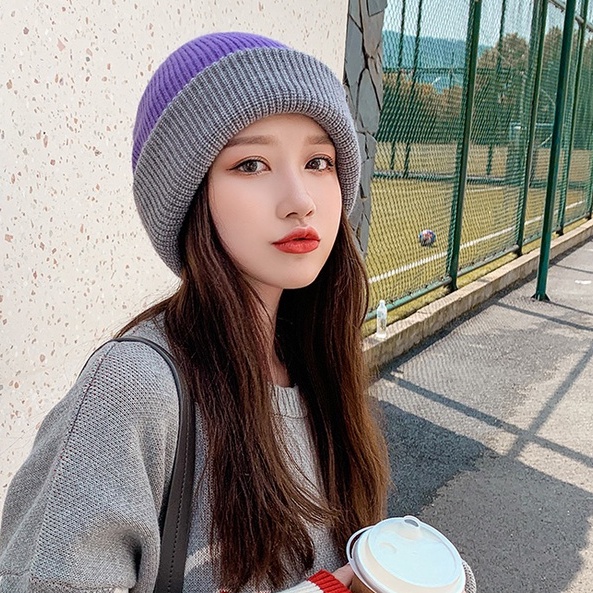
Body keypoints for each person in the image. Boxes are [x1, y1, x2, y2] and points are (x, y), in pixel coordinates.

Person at [0, 32, 475, 593]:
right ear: (189, 196)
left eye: (318, 161)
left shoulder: (319, 369)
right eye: (251, 164)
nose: (300, 199)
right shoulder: (134, 388)